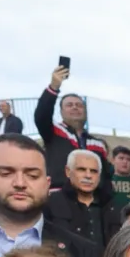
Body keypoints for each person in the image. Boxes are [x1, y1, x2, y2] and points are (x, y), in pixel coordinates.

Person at [37, 65, 113, 200]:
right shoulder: (54, 132)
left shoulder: (99, 144)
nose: (75, 108)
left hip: (92, 202)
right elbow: (42, 115)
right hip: (59, 198)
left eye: (79, 105)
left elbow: (105, 178)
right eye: (69, 105)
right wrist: (54, 87)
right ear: (61, 112)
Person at [45, 149, 123, 246]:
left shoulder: (113, 207)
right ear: (68, 171)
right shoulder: (51, 203)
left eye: (94, 171)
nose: (88, 176)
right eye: (81, 169)